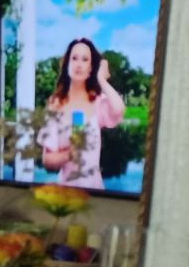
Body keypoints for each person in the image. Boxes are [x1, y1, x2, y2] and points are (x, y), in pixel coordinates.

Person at [37, 38, 125, 189]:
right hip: (66, 190)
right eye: (74, 58)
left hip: (94, 189)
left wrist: (102, 80)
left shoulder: (97, 102)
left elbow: (119, 110)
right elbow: (47, 160)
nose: (78, 64)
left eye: (85, 59)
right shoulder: (55, 104)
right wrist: (70, 154)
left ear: (91, 68)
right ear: (67, 64)